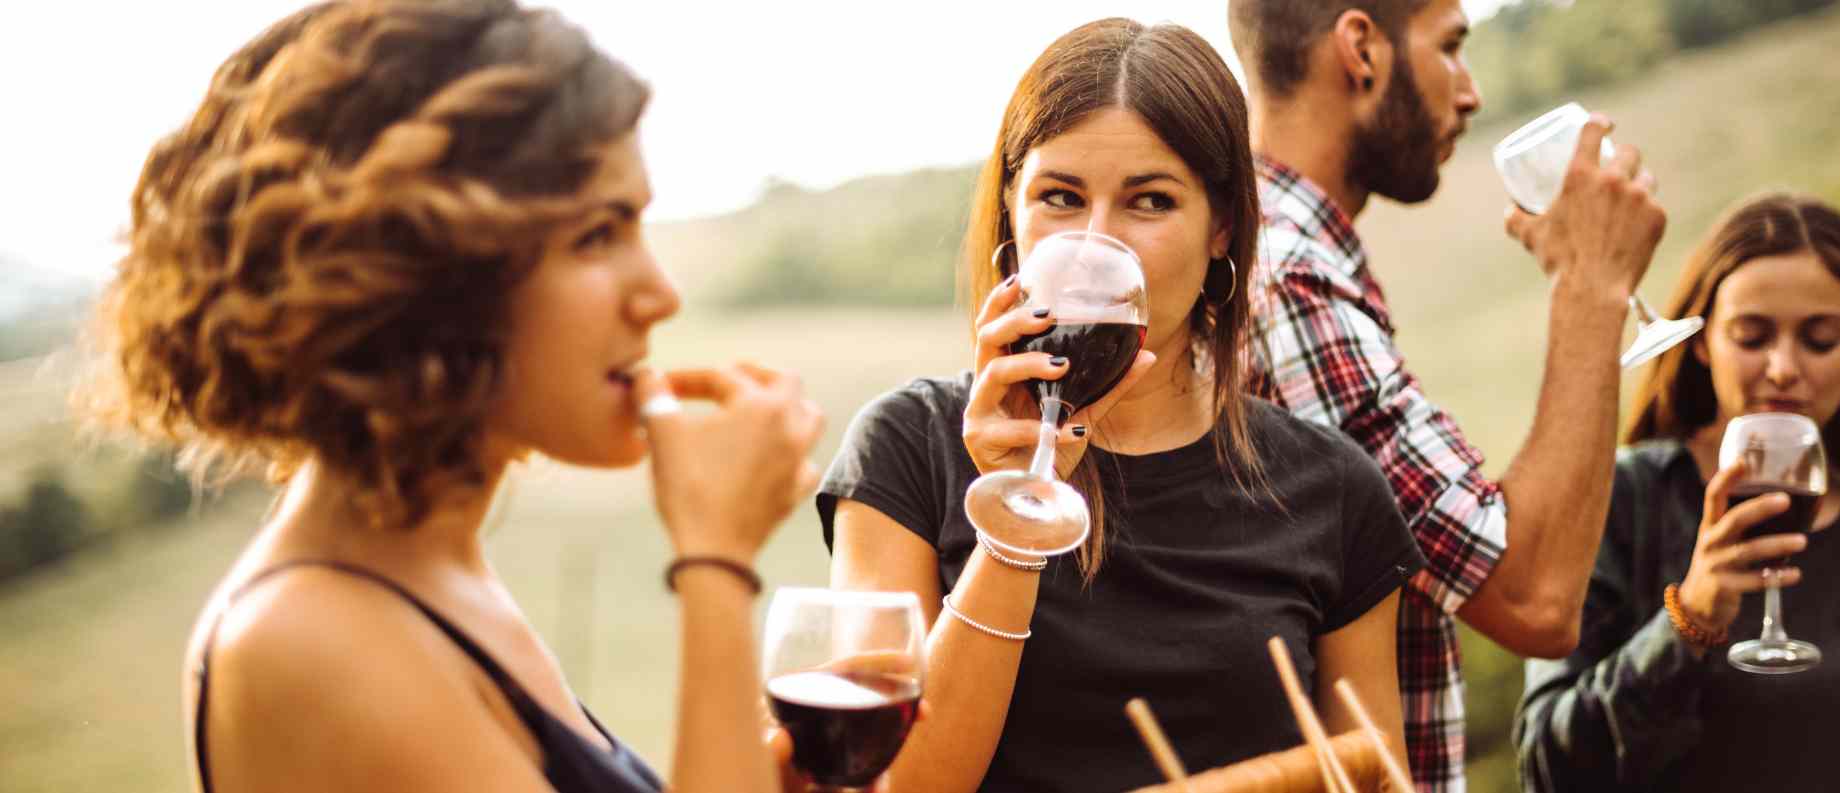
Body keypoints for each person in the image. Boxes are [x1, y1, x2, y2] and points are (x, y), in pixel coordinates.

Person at [79, 2, 829, 792]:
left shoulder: (434, 575)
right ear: (433, 270)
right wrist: (715, 560)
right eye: (596, 235)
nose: (660, 295)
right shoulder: (307, 637)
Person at [820, 18, 1425, 793]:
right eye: (1060, 197)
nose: (1094, 245)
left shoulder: (1332, 490)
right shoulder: (905, 448)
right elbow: (886, 783)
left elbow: (1373, 776)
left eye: (1149, 201)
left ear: (1222, 228)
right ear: (1010, 210)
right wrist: (1012, 523)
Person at [1225, 1, 1668, 789]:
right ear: (1360, 49)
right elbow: (1531, 597)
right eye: (1451, 47)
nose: (1470, 92)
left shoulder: (1283, 256)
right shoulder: (1290, 279)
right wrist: (1591, 284)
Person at [1515, 193, 1840, 791]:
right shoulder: (1624, 499)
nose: (1783, 367)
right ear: (1700, 341)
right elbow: (1547, 766)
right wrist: (1688, 621)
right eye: (1751, 337)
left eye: (1820, 340)